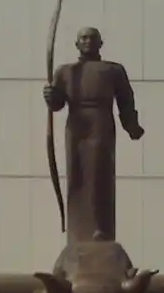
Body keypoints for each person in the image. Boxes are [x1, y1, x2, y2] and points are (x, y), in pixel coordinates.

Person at [42, 27, 144, 243]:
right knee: (77, 174)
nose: (88, 41)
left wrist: (131, 125)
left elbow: (126, 100)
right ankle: (77, 229)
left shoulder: (113, 70)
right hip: (76, 126)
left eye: (92, 38)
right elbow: (57, 104)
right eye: (84, 38)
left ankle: (100, 226)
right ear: (77, 44)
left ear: (100, 43)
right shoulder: (66, 71)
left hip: (101, 123)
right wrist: (50, 95)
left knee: (99, 174)